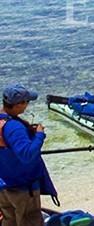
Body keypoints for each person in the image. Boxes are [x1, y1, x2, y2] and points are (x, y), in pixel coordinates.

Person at [0, 84, 58, 226]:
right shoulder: (14, 127)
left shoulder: (2, 121)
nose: (27, 105)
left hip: (4, 187)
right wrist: (39, 135)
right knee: (31, 222)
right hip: (23, 188)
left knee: (9, 221)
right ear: (18, 105)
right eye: (26, 102)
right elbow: (27, 155)